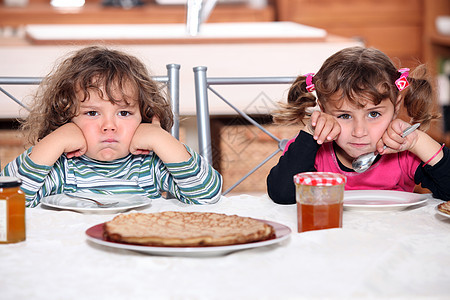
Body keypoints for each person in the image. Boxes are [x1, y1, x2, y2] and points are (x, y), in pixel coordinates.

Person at [1, 46, 222, 207]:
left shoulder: (149, 167)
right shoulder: (63, 169)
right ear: (67, 118)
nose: (109, 126)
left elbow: (207, 194)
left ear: (143, 117)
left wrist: (161, 139)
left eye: (124, 113)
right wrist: (56, 140)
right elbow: (7, 201)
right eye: (92, 113)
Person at [267, 46, 450, 204]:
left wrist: (417, 141)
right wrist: (311, 132)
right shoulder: (314, 152)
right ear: (323, 110)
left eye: (374, 114)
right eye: (345, 115)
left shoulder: (404, 155)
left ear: (395, 107)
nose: (359, 132)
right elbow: (282, 194)